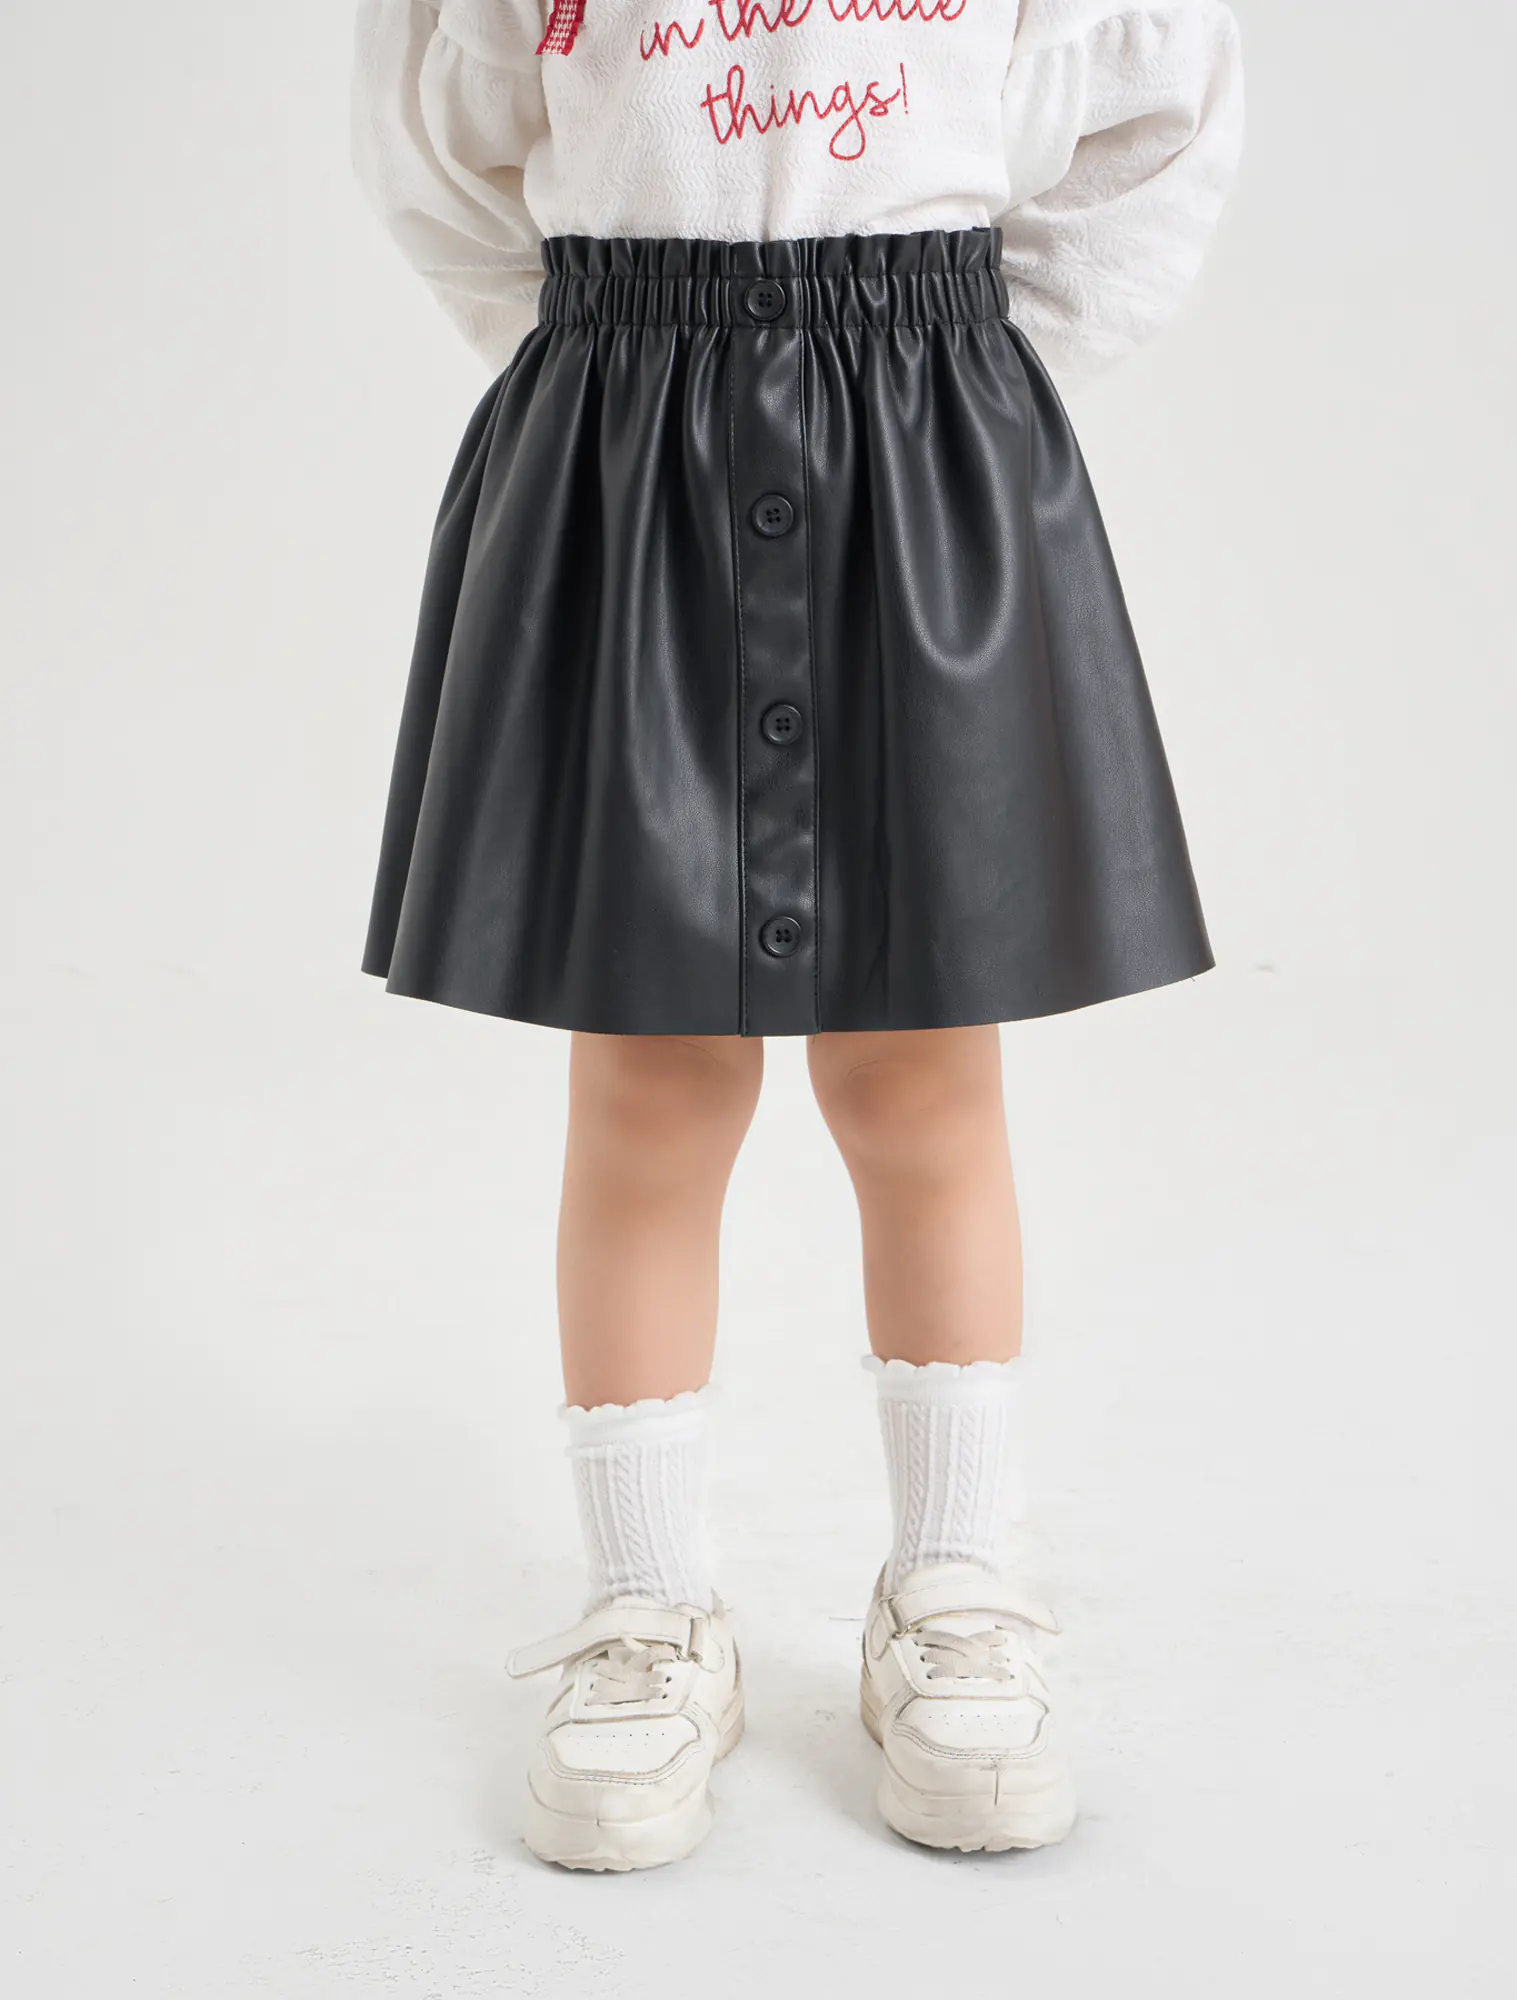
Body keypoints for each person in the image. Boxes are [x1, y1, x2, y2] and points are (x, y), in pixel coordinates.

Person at [348, 0, 1244, 1869]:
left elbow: (1159, 109)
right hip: (625, 449)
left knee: (922, 1071)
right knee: (651, 1079)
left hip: (924, 455)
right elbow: (437, 142)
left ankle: (954, 1582)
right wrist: (606, 365)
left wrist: (973, 375)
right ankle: (648, 1608)